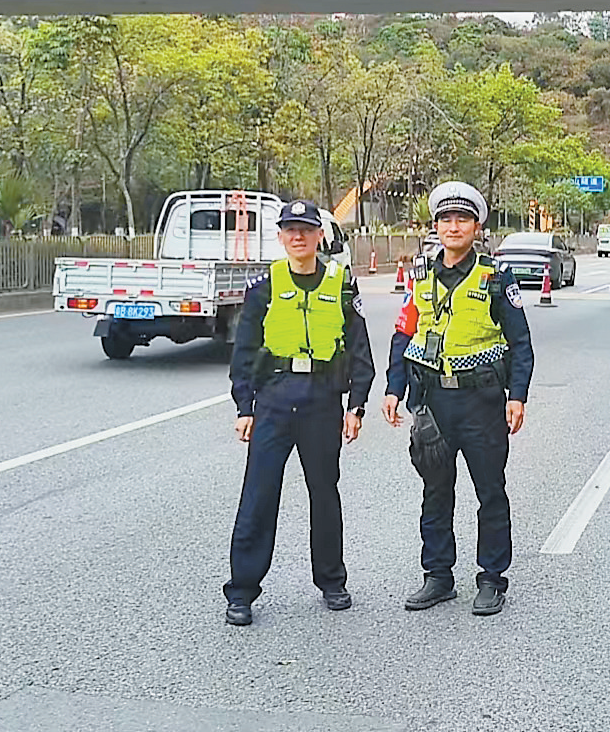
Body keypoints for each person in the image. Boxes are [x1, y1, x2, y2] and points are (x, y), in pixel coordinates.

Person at [383, 181, 535, 616]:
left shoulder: (496, 278)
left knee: (490, 492)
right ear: (436, 226)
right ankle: (438, 575)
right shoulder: (421, 277)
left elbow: (520, 342)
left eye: (462, 220)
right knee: (435, 491)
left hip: (481, 402)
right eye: (446, 219)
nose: (453, 227)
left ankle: (491, 579)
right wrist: (394, 388)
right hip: (432, 401)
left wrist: (517, 396)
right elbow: (404, 334)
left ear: (476, 227)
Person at [224, 198, 376, 626]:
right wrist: (244, 406)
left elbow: (359, 349)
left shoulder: (341, 284)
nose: (298, 237)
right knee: (259, 495)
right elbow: (244, 352)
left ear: (319, 236)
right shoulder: (263, 287)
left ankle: (331, 581)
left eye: (306, 230)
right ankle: (242, 590)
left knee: (324, 493)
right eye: (290, 230)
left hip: (322, 400)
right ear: (280, 237)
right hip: (274, 400)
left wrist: (357, 404)